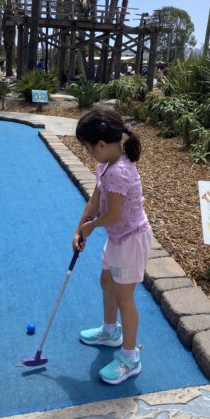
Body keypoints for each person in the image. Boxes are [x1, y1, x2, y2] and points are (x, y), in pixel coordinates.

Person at [73, 110, 153, 385]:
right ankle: (110, 332)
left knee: (124, 298)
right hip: (118, 238)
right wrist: (80, 226)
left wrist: (91, 227)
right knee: (106, 281)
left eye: (87, 147)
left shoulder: (119, 172)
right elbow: (95, 202)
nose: (87, 152)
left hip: (130, 239)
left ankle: (130, 357)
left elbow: (114, 215)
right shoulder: (105, 165)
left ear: (102, 145)